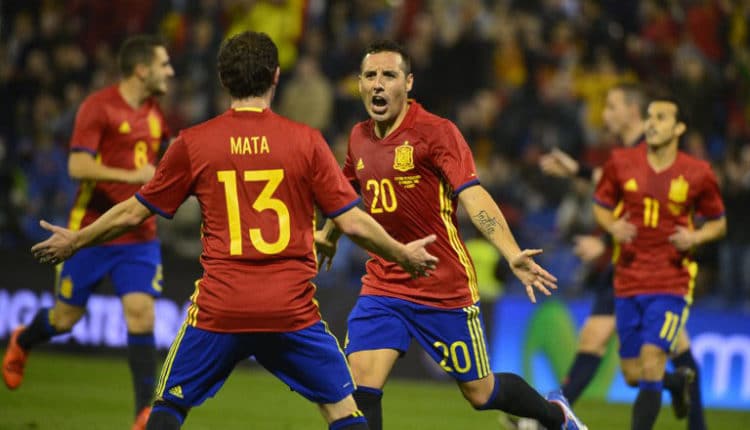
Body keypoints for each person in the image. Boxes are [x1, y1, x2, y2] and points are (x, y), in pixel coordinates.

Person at [29, 31, 439, 430]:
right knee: (343, 411)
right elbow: (351, 220)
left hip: (220, 310)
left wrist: (77, 239)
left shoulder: (194, 143)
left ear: (223, 79)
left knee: (169, 405)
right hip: (290, 313)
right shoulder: (306, 142)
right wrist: (401, 253)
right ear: (276, 76)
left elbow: (134, 212)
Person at [316, 39, 586, 430]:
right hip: (384, 284)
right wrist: (328, 233)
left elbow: (473, 196)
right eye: (370, 75)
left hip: (442, 285)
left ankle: (554, 416)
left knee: (481, 393)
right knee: (361, 386)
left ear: (408, 83)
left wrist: (510, 252)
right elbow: (347, 189)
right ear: (358, 83)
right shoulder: (359, 137)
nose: (378, 84)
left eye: (388, 75)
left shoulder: (436, 132)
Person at [3, 34, 174, 430]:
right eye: (164, 64)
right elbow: (78, 168)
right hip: (91, 231)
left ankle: (142, 414)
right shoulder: (98, 107)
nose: (171, 71)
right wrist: (133, 176)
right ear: (141, 69)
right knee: (65, 320)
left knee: (141, 313)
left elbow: (162, 161)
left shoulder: (154, 113)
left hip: (139, 234)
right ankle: (23, 340)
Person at [539, 84, 708, 430]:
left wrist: (602, 239)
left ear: (634, 110)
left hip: (652, 264)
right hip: (627, 261)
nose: (606, 114)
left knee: (646, 354)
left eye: (612, 105)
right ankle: (679, 387)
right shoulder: (627, 153)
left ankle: (547, 417)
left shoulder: (652, 148)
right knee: (638, 364)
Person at [593, 98, 726, 430]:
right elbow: (601, 204)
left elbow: (718, 222)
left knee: (652, 361)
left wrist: (695, 238)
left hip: (671, 282)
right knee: (632, 374)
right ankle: (677, 383)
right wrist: (612, 227)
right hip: (627, 280)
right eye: (649, 116)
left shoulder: (698, 173)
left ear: (679, 128)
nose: (651, 123)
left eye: (661, 117)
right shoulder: (621, 162)